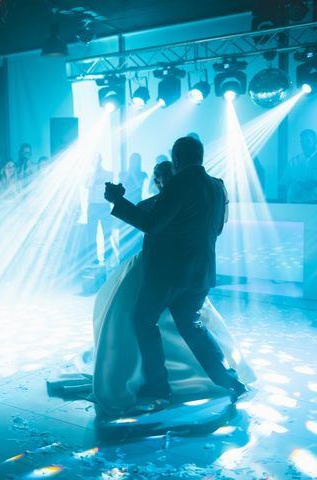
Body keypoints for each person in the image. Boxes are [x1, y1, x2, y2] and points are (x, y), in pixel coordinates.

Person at [104, 136, 248, 412]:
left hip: (169, 272)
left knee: (144, 320)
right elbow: (217, 228)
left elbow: (151, 224)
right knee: (192, 327)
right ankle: (229, 381)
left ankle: (158, 388)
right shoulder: (217, 186)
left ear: (177, 159)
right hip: (201, 272)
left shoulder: (179, 183)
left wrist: (117, 201)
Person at [85, 156, 114, 266]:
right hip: (92, 205)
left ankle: (108, 256)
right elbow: (87, 185)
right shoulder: (88, 174)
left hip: (103, 205)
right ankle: (93, 258)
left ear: (101, 160)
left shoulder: (108, 173)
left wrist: (96, 185)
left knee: (107, 232)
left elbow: (105, 188)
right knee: (92, 233)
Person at [280, 129, 317, 203]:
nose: (304, 144)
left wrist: (314, 183)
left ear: (315, 141)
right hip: (296, 203)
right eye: (302, 142)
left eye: (308, 141)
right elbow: (284, 183)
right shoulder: (294, 161)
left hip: (314, 203)